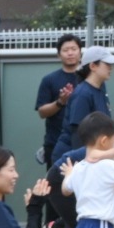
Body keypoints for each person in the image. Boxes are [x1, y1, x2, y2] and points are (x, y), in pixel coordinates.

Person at [36, 35, 85, 166]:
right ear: (59, 55)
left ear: (80, 52)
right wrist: (60, 102)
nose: (70, 53)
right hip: (55, 142)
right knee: (56, 178)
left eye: (74, 49)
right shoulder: (49, 80)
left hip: (85, 143)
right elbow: (42, 112)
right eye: (65, 50)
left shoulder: (89, 78)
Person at [61, 46, 114, 155]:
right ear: (93, 66)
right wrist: (85, 160)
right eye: (107, 64)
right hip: (73, 158)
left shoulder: (101, 87)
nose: (111, 68)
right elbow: (78, 134)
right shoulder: (82, 94)